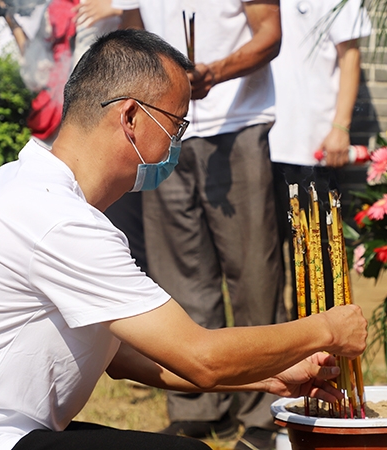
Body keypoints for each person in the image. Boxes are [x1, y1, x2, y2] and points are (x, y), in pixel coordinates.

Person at [0, 29, 368, 450]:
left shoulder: (16, 188)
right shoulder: (58, 220)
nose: (178, 145)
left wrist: (266, 375)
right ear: (130, 118)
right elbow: (201, 357)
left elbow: (124, 355)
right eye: (176, 125)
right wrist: (326, 328)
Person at [117, 2, 286, 448]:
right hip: (165, 130)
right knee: (179, 276)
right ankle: (198, 406)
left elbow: (269, 34)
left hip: (236, 125)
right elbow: (131, 32)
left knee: (253, 276)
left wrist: (215, 72)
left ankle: (264, 413)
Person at [269, 0, 371, 316]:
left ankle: (327, 353)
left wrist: (341, 125)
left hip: (311, 145)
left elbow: (350, 54)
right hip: (259, 141)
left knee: (320, 262)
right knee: (268, 262)